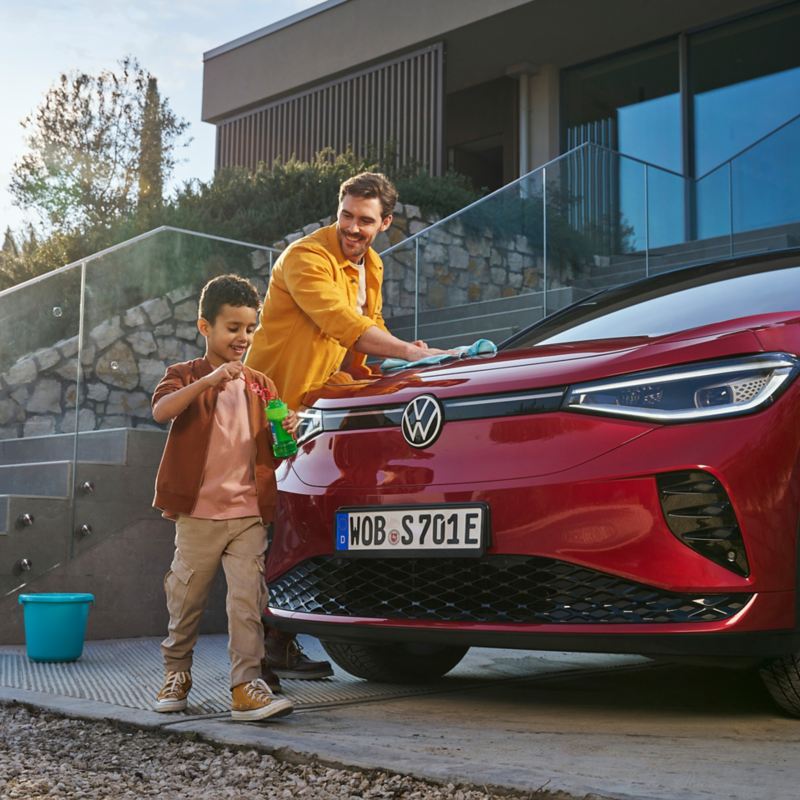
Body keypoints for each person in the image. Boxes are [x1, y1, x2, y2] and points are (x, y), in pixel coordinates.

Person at [246, 171, 449, 685]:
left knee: (291, 522)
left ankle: (278, 642)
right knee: (261, 525)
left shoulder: (371, 265)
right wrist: (404, 350)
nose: (352, 229)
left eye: (364, 220)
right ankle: (254, 655)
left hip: (320, 411)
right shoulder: (304, 258)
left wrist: (402, 367)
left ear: (385, 223)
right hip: (269, 410)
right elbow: (341, 322)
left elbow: (360, 343)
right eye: (346, 216)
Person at [150, 274, 297, 722]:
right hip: (198, 515)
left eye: (250, 329)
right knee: (186, 599)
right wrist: (210, 379)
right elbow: (161, 411)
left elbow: (266, 451)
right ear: (205, 327)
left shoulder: (261, 385)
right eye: (233, 328)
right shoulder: (186, 375)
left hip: (248, 513)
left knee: (247, 600)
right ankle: (177, 673)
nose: (243, 338)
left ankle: (245, 685)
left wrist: (287, 431)